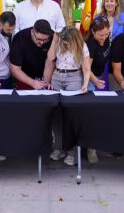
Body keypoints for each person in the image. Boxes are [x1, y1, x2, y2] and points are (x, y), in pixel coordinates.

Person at [44, 26, 92, 165]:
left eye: (68, 42)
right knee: (57, 115)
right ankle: (58, 148)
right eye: (64, 42)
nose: (66, 44)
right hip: (58, 76)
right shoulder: (59, 42)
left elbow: (87, 69)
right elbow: (50, 58)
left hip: (74, 77)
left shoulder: (82, 46)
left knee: (71, 115)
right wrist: (54, 40)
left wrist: (85, 84)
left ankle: (71, 151)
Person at [9, 19, 53, 89]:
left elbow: (50, 62)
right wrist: (32, 83)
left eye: (45, 40)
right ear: (32, 32)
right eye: (39, 39)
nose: (42, 42)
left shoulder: (52, 37)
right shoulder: (20, 38)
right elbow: (15, 68)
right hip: (25, 78)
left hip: (46, 77)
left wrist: (46, 82)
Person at [85, 17, 112, 91]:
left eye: (106, 34)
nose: (104, 38)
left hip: (100, 75)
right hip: (89, 78)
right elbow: (86, 68)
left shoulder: (106, 39)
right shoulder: (90, 45)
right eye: (100, 35)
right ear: (93, 32)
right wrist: (95, 81)